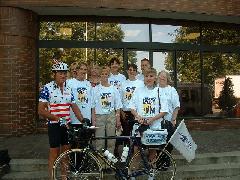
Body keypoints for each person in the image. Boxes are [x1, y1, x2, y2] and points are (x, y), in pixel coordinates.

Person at [38, 61, 84, 179]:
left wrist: (83, 120)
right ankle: (52, 177)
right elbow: (41, 110)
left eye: (64, 73)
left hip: (66, 125)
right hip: (54, 125)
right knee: (54, 153)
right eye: (60, 73)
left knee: (66, 153)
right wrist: (57, 118)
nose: (63, 75)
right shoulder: (47, 88)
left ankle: (64, 176)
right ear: (54, 74)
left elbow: (74, 106)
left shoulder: (69, 88)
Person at [129, 67, 169, 177]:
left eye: (151, 76)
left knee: (152, 152)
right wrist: (138, 116)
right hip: (140, 125)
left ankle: (151, 175)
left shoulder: (160, 91)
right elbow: (132, 108)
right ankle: (133, 175)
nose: (149, 78)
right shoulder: (138, 91)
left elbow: (164, 110)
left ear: (155, 77)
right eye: (146, 76)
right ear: (144, 78)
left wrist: (152, 119)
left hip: (154, 126)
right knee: (136, 152)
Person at [91, 66, 123, 154]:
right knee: (99, 140)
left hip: (111, 116)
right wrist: (93, 121)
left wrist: (118, 120)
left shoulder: (113, 89)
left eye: (106, 74)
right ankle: (100, 163)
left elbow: (118, 107)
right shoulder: (95, 89)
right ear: (99, 75)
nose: (104, 76)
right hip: (99, 116)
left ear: (108, 76)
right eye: (102, 74)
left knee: (111, 140)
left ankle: (110, 161)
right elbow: (93, 107)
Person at [116, 64, 144, 155]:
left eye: (134, 70)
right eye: (130, 70)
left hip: (136, 112)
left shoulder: (140, 83)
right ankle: (125, 154)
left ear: (136, 72)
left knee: (136, 134)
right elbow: (119, 99)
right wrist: (121, 112)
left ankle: (135, 154)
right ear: (127, 71)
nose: (132, 71)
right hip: (125, 112)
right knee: (126, 134)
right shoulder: (123, 83)